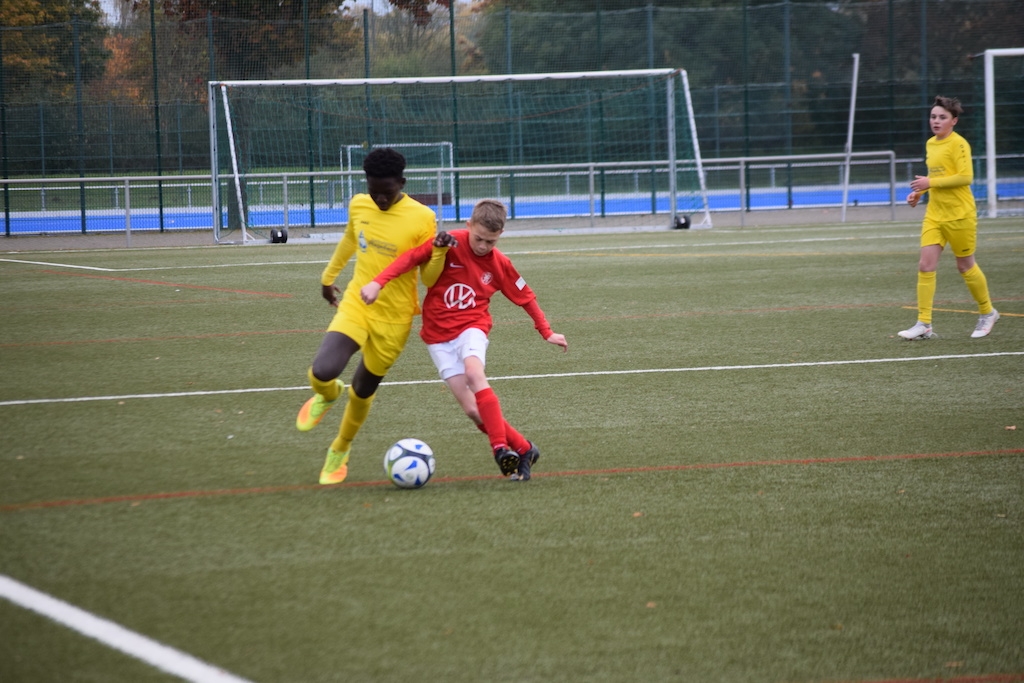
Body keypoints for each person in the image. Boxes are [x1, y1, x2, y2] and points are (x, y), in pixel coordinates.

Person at [360, 199, 568, 481]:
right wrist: (378, 282)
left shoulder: (499, 263)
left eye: (491, 242)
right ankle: (524, 448)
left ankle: (500, 449)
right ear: (469, 226)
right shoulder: (449, 242)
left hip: (472, 326)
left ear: (501, 235)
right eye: (478, 238)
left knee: (474, 372)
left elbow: (525, 296)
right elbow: (410, 258)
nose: (483, 246)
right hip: (437, 336)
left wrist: (547, 331)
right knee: (472, 410)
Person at [296, 148, 445, 484]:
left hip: (395, 319)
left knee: (362, 390)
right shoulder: (359, 205)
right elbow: (351, 239)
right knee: (322, 371)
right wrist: (328, 277)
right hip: (357, 303)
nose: (380, 199)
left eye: (387, 192)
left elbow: (429, 277)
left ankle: (340, 448)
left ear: (402, 183)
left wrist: (438, 252)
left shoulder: (422, 217)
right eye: (374, 191)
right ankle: (327, 394)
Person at [899, 95, 999, 340]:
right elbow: (935, 176)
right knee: (925, 265)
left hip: (960, 215)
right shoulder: (931, 144)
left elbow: (965, 177)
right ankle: (924, 323)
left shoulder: (959, 144)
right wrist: (919, 193)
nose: (936, 121)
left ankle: (988, 313)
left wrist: (929, 183)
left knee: (965, 265)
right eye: (933, 116)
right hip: (935, 215)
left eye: (942, 117)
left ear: (953, 121)